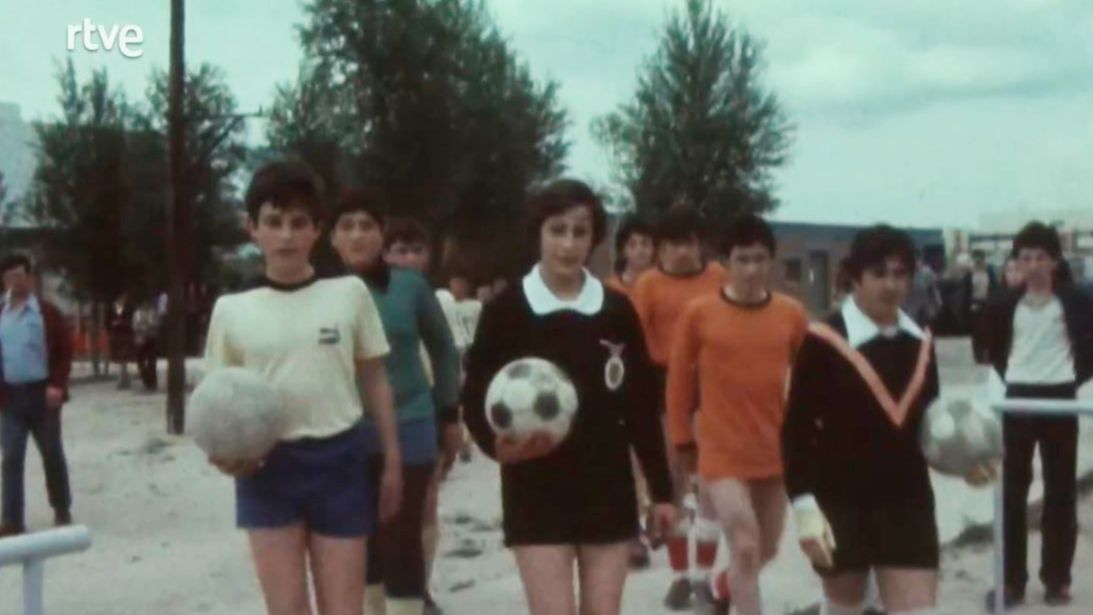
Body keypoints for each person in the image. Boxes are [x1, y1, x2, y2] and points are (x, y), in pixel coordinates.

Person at [462, 179, 676, 615]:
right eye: (557, 230)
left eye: (580, 232)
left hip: (607, 488)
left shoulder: (616, 310)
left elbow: (641, 406)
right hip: (535, 489)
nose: (568, 243)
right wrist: (494, 445)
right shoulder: (507, 310)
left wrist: (662, 492)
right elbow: (474, 395)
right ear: (538, 233)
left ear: (594, 238)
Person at [203, 161, 403, 615]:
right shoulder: (232, 309)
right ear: (252, 228)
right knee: (287, 607)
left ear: (317, 229)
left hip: (341, 462)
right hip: (267, 468)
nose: (286, 236)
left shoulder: (349, 294)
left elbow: (375, 379)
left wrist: (392, 460)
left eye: (298, 223)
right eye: (274, 222)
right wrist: (224, 455)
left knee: (344, 608)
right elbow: (217, 400)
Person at [782, 225, 994, 615]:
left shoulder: (921, 341)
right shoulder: (822, 340)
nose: (891, 285)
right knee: (845, 607)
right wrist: (804, 504)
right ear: (855, 277)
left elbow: (929, 426)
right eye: (879, 274)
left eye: (900, 274)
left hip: (906, 499)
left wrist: (965, 462)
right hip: (841, 498)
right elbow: (796, 430)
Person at [667, 214, 809, 614]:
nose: (751, 269)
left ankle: (722, 585)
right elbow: (678, 383)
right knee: (744, 544)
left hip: (773, 450)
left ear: (771, 262)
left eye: (759, 259)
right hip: (720, 452)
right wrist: (682, 439)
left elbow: (811, 382)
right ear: (726, 262)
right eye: (742, 259)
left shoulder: (791, 314)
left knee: (767, 548)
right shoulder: (699, 313)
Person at [331, 200, 462, 615]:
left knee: (403, 534)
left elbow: (443, 349)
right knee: (362, 537)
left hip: (412, 419)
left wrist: (449, 413)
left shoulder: (410, 287)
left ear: (380, 233)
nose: (357, 234)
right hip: (346, 427)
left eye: (366, 225)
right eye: (346, 226)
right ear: (331, 237)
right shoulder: (320, 290)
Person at [983, 222, 1093, 610]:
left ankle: (1057, 579)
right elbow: (992, 348)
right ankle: (1011, 581)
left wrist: (1072, 378)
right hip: (1017, 400)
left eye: (1040, 257)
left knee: (1060, 492)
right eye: (1025, 258)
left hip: (1060, 398)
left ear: (1055, 261)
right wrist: (1014, 378)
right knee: (1011, 493)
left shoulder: (1076, 302)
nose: (1032, 265)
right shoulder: (1003, 303)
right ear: (1016, 261)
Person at [630, 205, 727, 611]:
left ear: (699, 244)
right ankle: (678, 576)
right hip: (663, 384)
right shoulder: (648, 284)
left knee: (710, 485)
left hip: (710, 385)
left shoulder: (719, 277)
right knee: (671, 485)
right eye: (672, 244)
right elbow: (633, 341)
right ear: (660, 249)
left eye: (688, 242)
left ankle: (703, 576)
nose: (682, 252)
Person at [0, 253, 74, 537]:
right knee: (11, 457)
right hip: (11, 397)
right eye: (11, 276)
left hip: (43, 395)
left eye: (21, 276)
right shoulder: (2, 314)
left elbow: (64, 351)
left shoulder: (46, 313)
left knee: (51, 453)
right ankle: (12, 520)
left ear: (30, 279)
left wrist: (57, 384)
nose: (16, 282)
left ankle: (61, 508)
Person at [605, 215, 655, 298]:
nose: (640, 250)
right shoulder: (612, 288)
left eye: (645, 243)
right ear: (623, 251)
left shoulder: (662, 285)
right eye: (632, 245)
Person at [965, 250, 998, 364]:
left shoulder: (989, 271)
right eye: (976, 259)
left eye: (981, 258)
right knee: (976, 331)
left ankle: (988, 354)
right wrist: (969, 304)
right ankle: (978, 355)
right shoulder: (970, 273)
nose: (978, 261)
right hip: (974, 304)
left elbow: (995, 287)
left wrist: (993, 302)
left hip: (987, 303)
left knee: (988, 330)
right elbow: (966, 291)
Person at [131, 296, 160, 392]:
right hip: (141, 339)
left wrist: (146, 328)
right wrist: (145, 328)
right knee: (140, 361)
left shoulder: (152, 312)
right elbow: (135, 326)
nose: (146, 305)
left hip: (150, 338)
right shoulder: (137, 313)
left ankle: (152, 382)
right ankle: (147, 380)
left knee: (152, 361)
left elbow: (155, 324)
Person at [903, 258, 942, 328]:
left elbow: (934, 291)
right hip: (909, 305)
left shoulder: (927, 273)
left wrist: (938, 304)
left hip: (923, 305)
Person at [107, 291, 135, 389]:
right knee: (119, 359)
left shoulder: (129, 308)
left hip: (125, 334)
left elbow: (131, 320)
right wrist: (112, 325)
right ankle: (124, 378)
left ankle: (123, 379)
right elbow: (107, 321)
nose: (122, 300)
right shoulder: (111, 308)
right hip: (115, 334)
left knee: (124, 358)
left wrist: (123, 322)